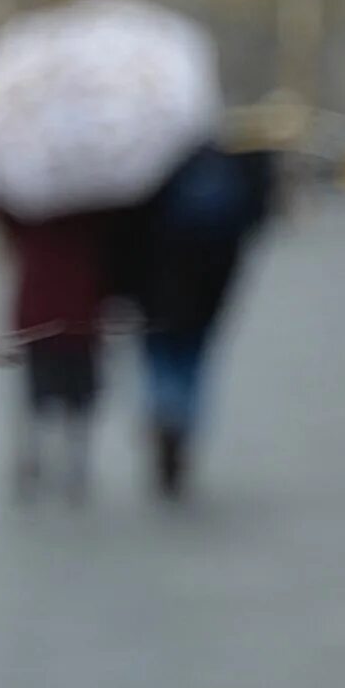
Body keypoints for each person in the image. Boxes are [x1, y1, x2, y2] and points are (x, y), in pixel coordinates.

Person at [113, 126, 284, 502]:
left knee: (159, 356)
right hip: (209, 290)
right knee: (194, 359)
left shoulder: (151, 170)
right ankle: (183, 426)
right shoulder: (230, 171)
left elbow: (126, 231)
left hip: (155, 290)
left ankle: (164, 412)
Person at [0, 204, 125, 504]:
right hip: (83, 313)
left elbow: (2, 221)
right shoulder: (95, 209)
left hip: (39, 312)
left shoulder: (29, 203)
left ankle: (38, 456)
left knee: (40, 393)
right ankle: (74, 462)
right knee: (80, 396)